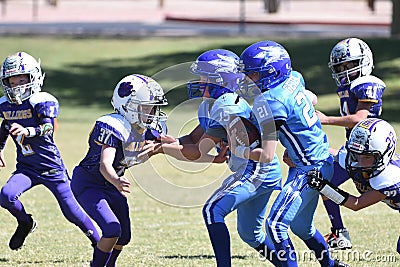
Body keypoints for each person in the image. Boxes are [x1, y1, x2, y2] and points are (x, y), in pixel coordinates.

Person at [154, 49, 283, 267]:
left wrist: (159, 149)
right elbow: (192, 138)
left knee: (212, 210)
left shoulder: (227, 107)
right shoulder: (212, 103)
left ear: (221, 80)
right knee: (250, 235)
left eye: (205, 77)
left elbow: (198, 152)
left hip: (256, 168)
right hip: (257, 169)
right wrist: (167, 141)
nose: (199, 81)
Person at [234, 40, 348, 267]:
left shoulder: (273, 102)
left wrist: (238, 149)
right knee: (301, 226)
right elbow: (311, 98)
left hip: (309, 170)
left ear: (273, 73)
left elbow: (267, 155)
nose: (248, 81)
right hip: (318, 160)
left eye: (254, 75)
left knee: (275, 225)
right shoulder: (293, 77)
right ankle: (331, 265)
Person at [0, 51, 100, 251]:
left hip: (51, 168)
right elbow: (5, 126)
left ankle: (100, 244)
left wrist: (29, 130)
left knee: (72, 213)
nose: (17, 86)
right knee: (5, 195)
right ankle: (25, 223)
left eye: (22, 80)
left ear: (33, 78)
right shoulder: (5, 105)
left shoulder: (41, 101)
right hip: (27, 168)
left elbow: (49, 128)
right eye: (12, 82)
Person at [70, 74, 168, 267]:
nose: (152, 113)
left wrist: (205, 154)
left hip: (112, 184)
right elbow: (105, 164)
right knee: (112, 229)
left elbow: (171, 146)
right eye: (146, 107)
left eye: (153, 107)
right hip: (90, 183)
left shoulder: (147, 128)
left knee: (124, 236)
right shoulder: (113, 125)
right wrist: (116, 181)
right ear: (127, 105)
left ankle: (110, 264)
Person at [315, 37, 385, 250]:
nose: (346, 70)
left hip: (372, 151)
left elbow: (360, 119)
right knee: (325, 184)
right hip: (354, 150)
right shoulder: (349, 86)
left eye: (351, 65)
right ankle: (339, 233)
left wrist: (326, 119)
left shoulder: (367, 83)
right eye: (342, 66)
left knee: (391, 192)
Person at [307, 118, 400, 254]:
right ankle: (339, 232)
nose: (360, 162)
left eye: (367, 157)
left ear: (385, 154)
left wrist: (323, 186)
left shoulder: (389, 177)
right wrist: (303, 153)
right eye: (357, 155)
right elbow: (333, 153)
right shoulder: (355, 157)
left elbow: (357, 204)